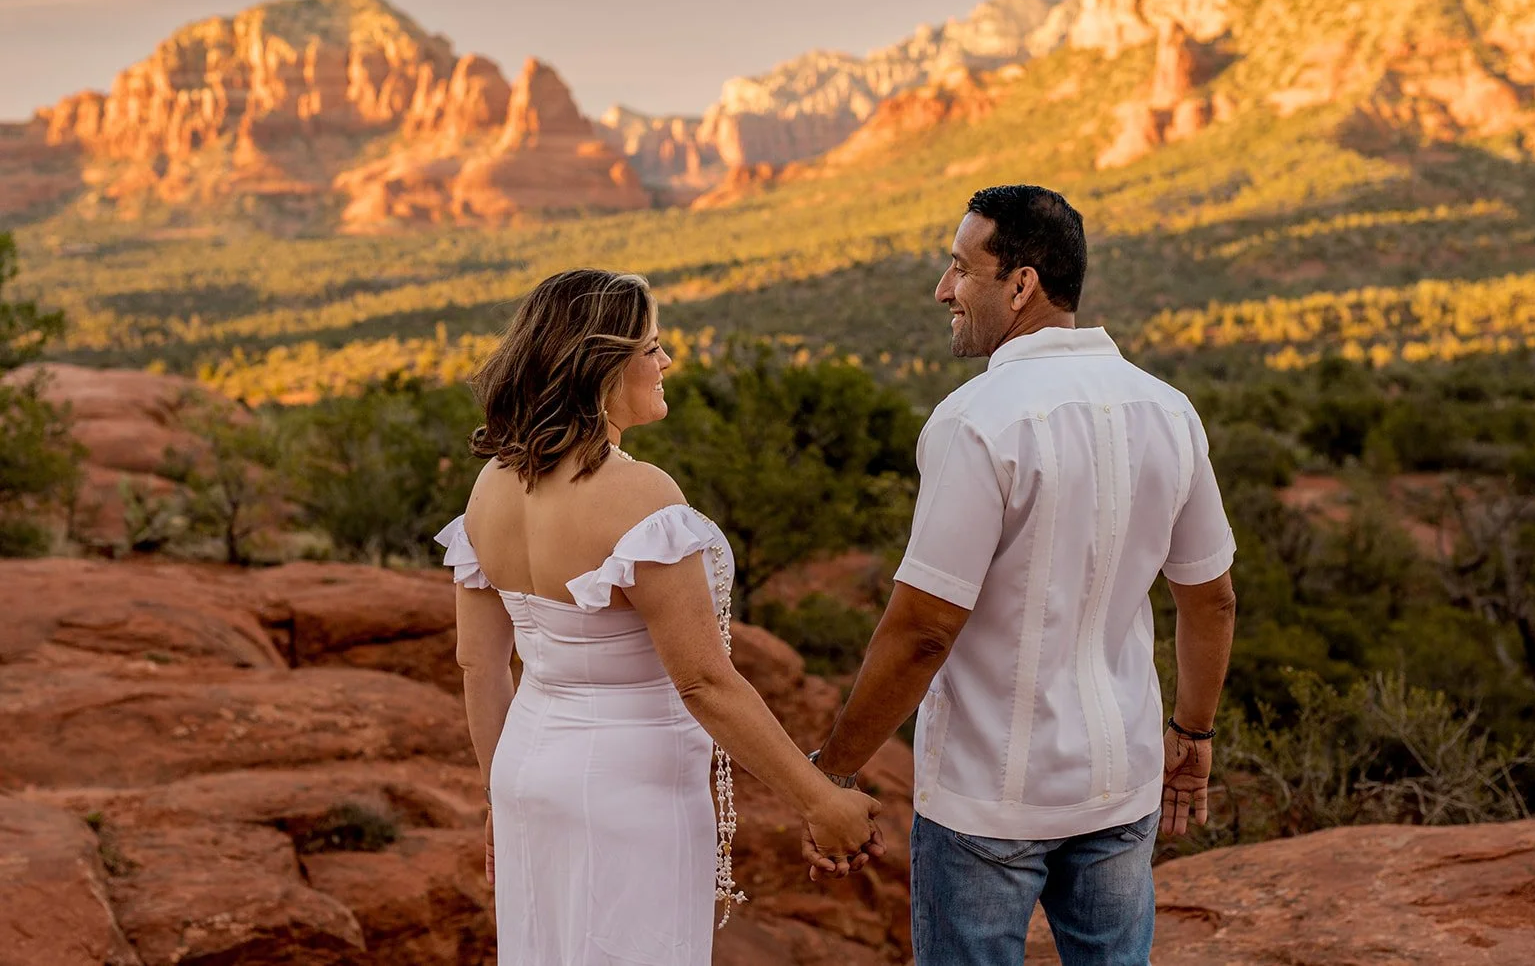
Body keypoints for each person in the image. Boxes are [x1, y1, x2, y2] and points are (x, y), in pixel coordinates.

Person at [803, 185, 1238, 966]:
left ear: (1021, 283)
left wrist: (830, 772)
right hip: (1120, 785)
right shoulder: (1169, 409)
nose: (943, 289)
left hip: (986, 802)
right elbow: (1211, 598)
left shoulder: (978, 420)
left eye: (960, 268)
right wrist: (1193, 732)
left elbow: (924, 631)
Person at [436, 268, 883, 966]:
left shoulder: (491, 482)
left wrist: (501, 793)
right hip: (626, 789)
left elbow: (479, 662)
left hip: (527, 771)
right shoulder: (640, 493)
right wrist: (819, 800)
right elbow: (704, 680)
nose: (666, 360)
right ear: (602, 365)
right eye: (651, 346)